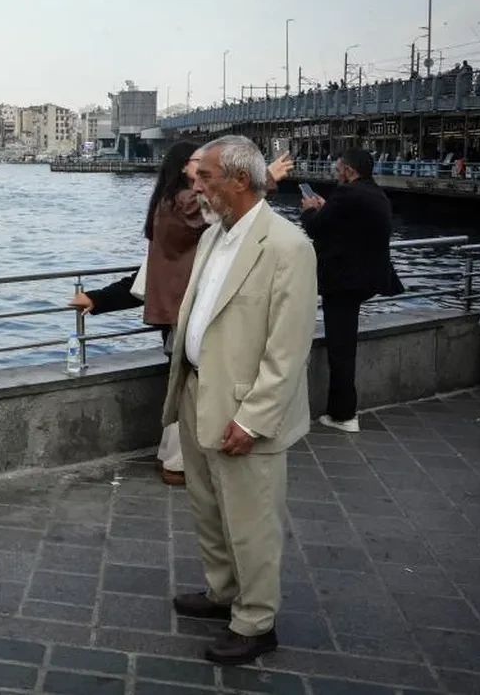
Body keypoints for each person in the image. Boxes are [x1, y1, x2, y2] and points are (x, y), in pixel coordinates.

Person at [163, 135, 317, 666]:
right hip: (196, 390)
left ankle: (256, 623)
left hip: (244, 408)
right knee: (207, 507)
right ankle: (222, 591)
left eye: (205, 176)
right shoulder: (215, 235)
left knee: (251, 520)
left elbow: (288, 348)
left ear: (239, 181)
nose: (194, 182)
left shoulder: (287, 246)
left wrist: (253, 420)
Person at [72, 149, 293, 485]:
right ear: (183, 166)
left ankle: (175, 458)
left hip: (179, 308)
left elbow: (152, 270)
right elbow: (230, 210)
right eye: (198, 163)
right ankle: (177, 463)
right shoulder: (186, 203)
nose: (205, 170)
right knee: (192, 385)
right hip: (187, 310)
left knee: (187, 382)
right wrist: (268, 178)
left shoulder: (168, 202)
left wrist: (100, 299)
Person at [300, 148, 402, 433]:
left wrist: (309, 209)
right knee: (344, 344)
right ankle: (342, 411)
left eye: (339, 166)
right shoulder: (376, 194)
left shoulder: (346, 195)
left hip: (344, 282)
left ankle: (344, 415)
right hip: (367, 279)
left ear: (350, 170)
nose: (335, 170)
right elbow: (347, 225)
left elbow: (317, 228)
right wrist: (325, 207)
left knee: (341, 349)